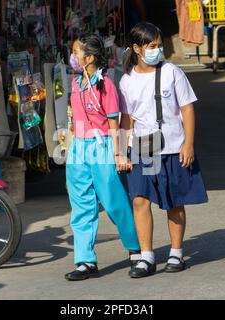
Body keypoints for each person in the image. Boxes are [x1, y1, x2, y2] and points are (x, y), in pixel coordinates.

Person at [119, 22, 209, 278]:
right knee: (139, 199)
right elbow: (127, 118)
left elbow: (187, 109)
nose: (157, 50)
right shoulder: (127, 80)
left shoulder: (173, 73)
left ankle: (176, 251)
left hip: (172, 144)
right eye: (152, 46)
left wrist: (188, 143)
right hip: (142, 145)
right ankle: (146, 256)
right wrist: (120, 149)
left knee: (174, 201)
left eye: (160, 46)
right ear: (137, 48)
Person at [65, 34, 141, 281]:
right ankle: (85, 260)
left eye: (76, 52)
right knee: (81, 206)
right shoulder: (76, 83)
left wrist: (119, 152)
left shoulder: (106, 84)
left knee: (114, 201)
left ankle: (134, 248)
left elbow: (113, 122)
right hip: (78, 148)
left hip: (102, 146)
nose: (73, 56)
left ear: (89, 58)